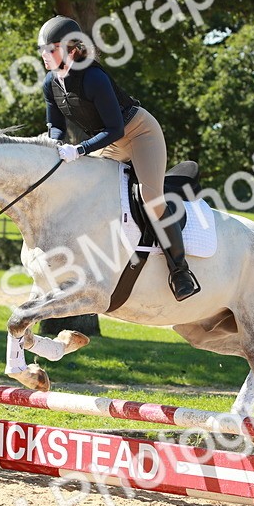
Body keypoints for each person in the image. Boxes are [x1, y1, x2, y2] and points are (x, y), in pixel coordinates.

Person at [37, 15, 200, 301]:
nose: (44, 56)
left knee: (150, 199)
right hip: (107, 139)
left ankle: (180, 271)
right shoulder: (51, 82)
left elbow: (116, 128)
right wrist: (52, 143)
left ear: (72, 50)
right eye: (42, 50)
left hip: (138, 133)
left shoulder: (94, 78)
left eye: (51, 49)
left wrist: (80, 150)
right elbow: (57, 126)